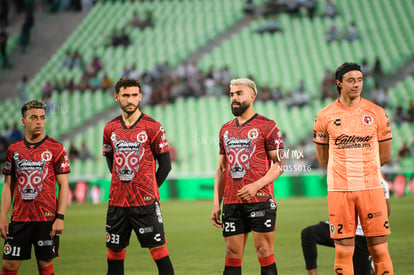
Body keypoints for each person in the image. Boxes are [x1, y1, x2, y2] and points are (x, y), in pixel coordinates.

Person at [313, 62, 393, 275]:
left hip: (371, 188)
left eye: (359, 80)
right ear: (339, 83)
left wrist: (364, 170)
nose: (356, 85)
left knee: (379, 249)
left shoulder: (376, 113)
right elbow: (323, 158)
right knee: (343, 252)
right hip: (340, 191)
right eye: (351, 80)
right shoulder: (325, 115)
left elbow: (385, 155)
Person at [211, 78, 285, 275]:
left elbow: (279, 165)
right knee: (232, 252)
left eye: (239, 93)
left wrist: (256, 186)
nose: (234, 98)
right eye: (231, 94)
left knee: (264, 251)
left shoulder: (268, 126)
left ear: (252, 96)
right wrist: (217, 202)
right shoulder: (225, 129)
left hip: (260, 200)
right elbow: (221, 170)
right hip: (232, 202)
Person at [102, 77, 174, 275]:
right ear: (117, 97)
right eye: (126, 96)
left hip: (145, 203)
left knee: (160, 253)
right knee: (114, 255)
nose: (130, 100)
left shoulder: (152, 127)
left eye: (134, 95)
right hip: (117, 204)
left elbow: (166, 165)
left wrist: (149, 189)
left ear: (140, 97)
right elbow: (110, 161)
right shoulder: (110, 129)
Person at [0, 100, 70, 275]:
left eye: (42, 117)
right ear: (23, 121)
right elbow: (8, 185)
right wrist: (2, 216)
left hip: (46, 219)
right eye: (33, 117)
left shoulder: (57, 149)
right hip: (19, 219)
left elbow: (64, 186)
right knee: (9, 265)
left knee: (45, 265)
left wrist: (60, 217)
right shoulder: (13, 151)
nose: (39, 121)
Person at [301, 177, 391, 275]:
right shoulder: (341, 177)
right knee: (308, 234)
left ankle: (370, 269)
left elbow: (385, 212)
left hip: (360, 235)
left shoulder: (378, 181)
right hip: (342, 229)